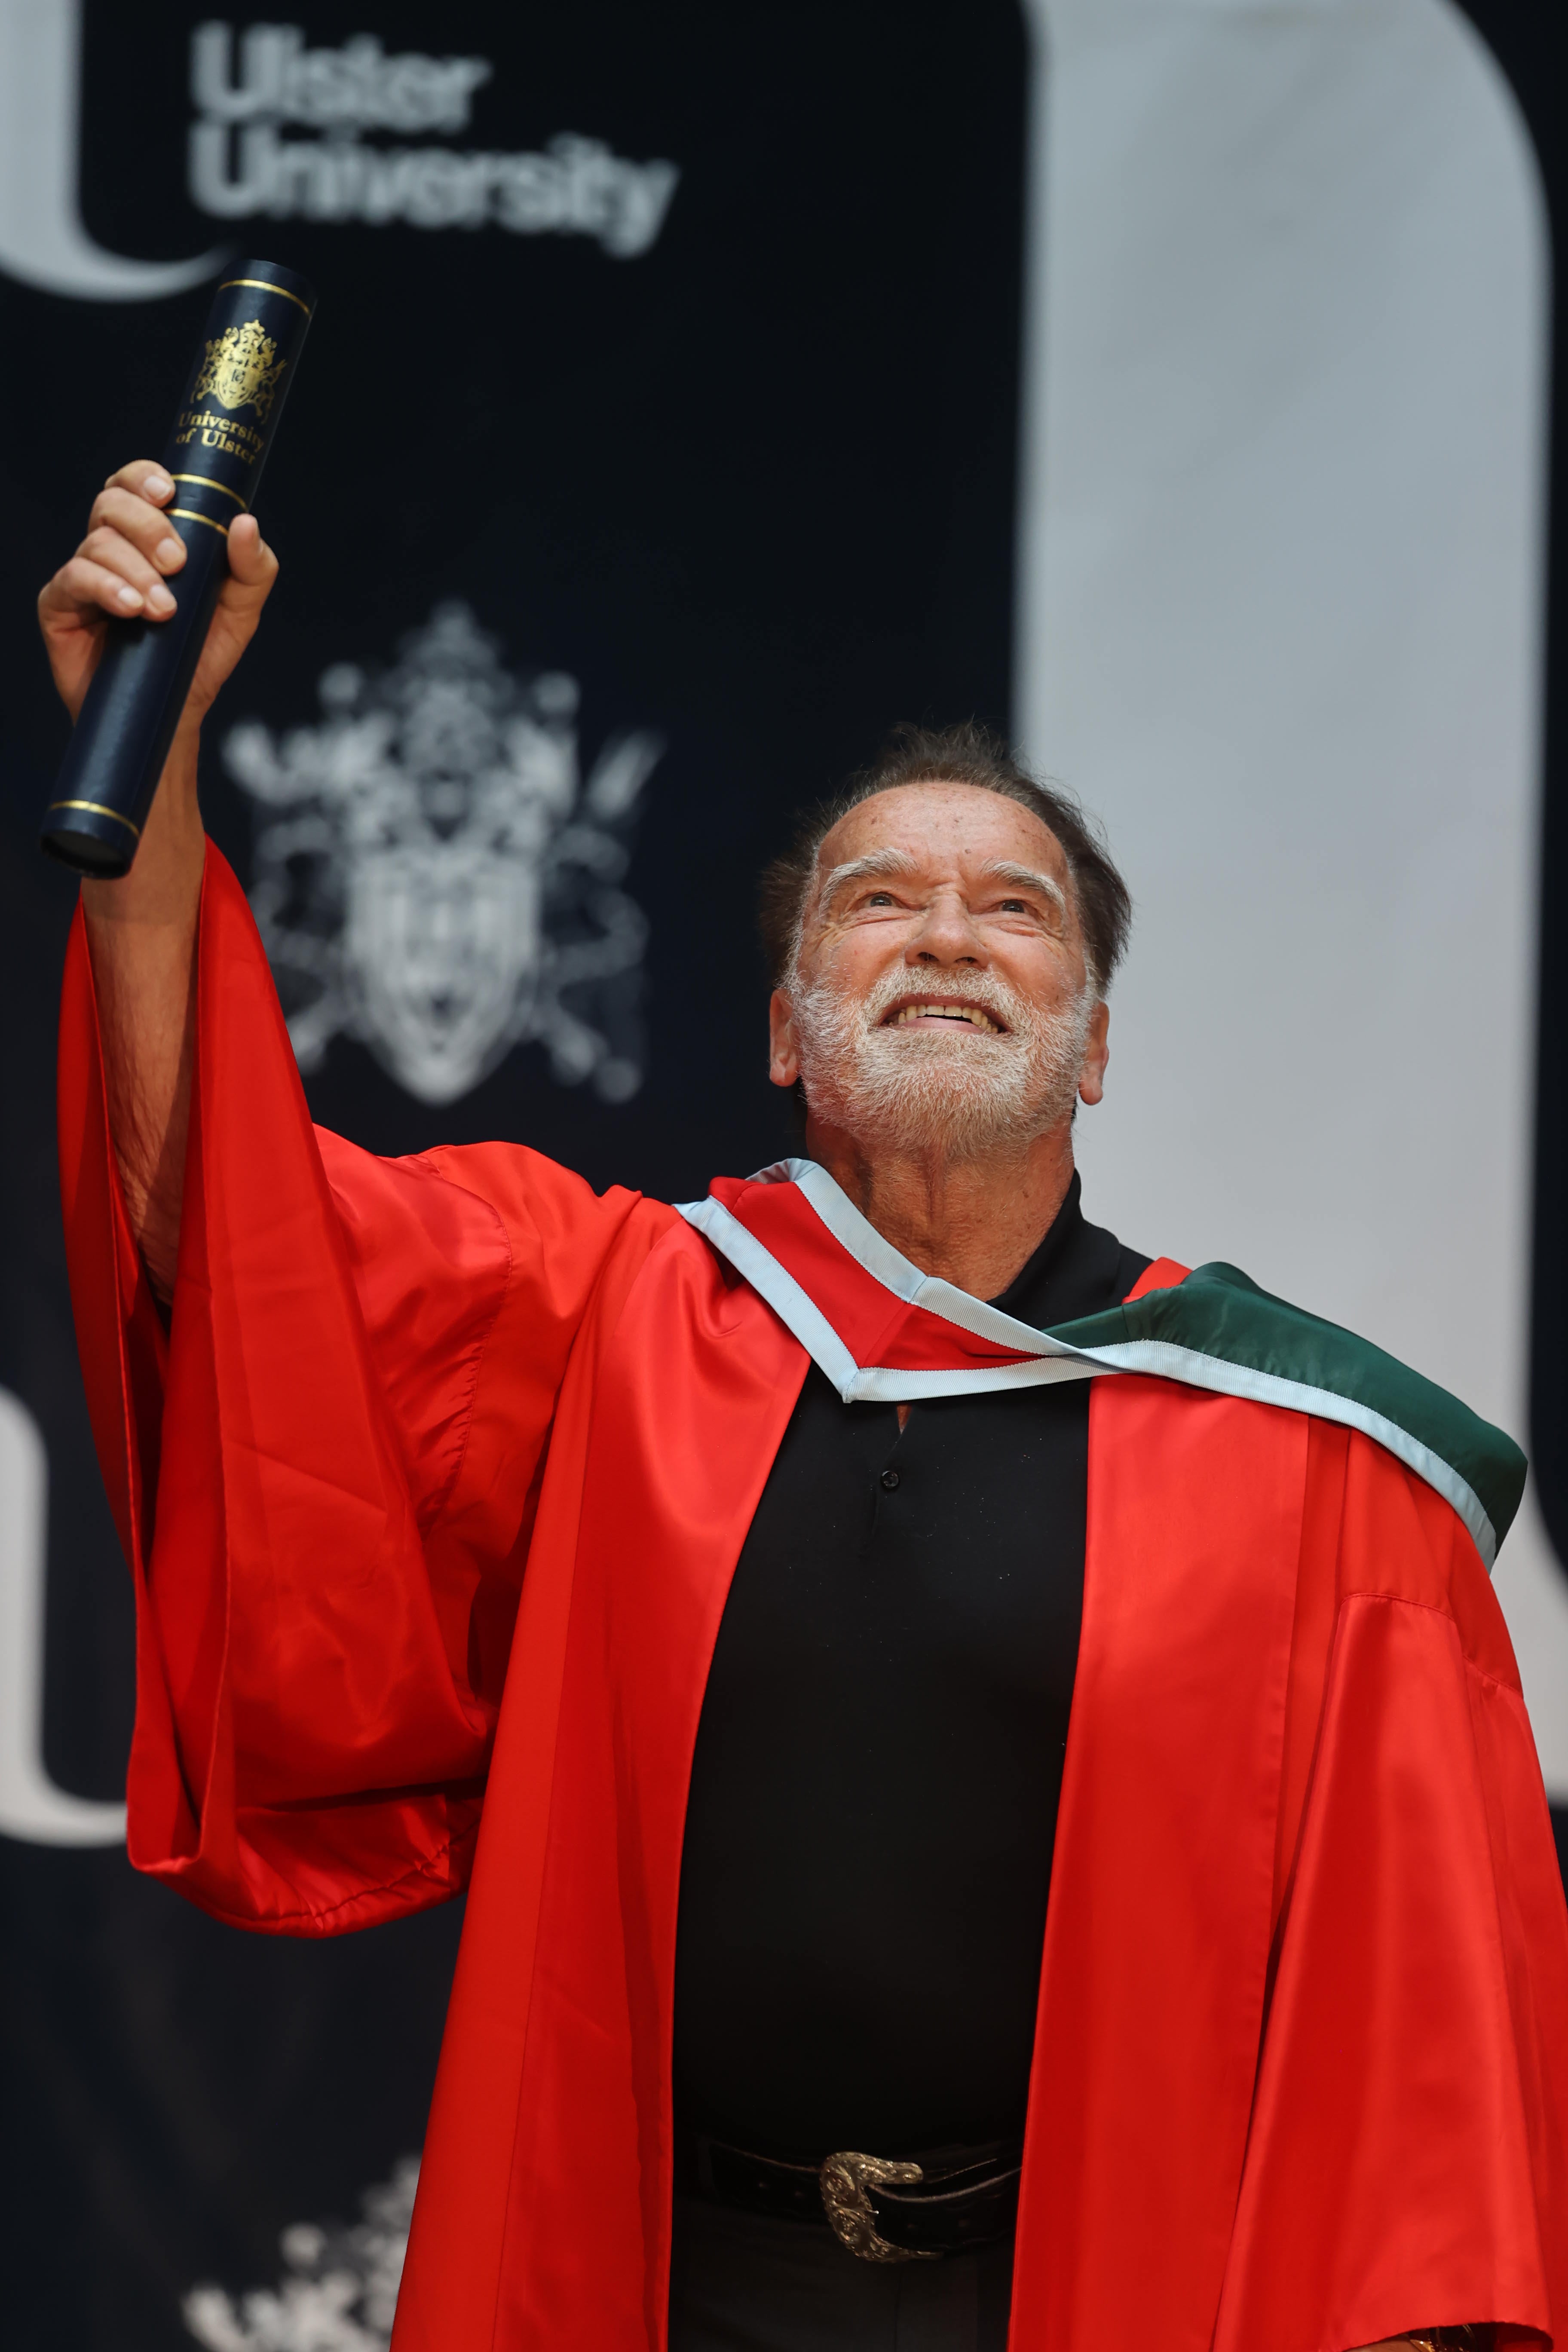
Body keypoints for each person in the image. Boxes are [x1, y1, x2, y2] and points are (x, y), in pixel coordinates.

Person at [40, 463, 1568, 2352]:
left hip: (1099, 2287)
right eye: (879, 901)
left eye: (1015, 909)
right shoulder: (603, 1315)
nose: (947, 936)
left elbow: (1426, 2046)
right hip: (666, 2280)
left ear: (1094, 1044)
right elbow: (227, 1223)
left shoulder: (1314, 1461)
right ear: (784, 1030)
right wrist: (155, 768)